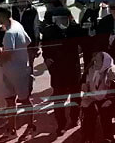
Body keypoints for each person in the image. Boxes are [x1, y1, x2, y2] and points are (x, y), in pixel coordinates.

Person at [0, 6, 33, 140]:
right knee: (10, 100)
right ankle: (11, 130)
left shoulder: (9, 33)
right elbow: (28, 41)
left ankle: (31, 127)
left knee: (24, 100)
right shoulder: (17, 25)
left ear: (2, 16)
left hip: (17, 73)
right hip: (13, 70)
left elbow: (5, 56)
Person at [41, 7, 83, 135]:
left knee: (76, 97)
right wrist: (49, 63)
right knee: (59, 99)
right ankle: (61, 124)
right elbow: (45, 50)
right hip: (58, 71)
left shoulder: (75, 30)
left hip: (73, 69)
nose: (62, 21)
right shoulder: (49, 32)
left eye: (65, 18)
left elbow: (82, 44)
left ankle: (74, 118)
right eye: (59, 19)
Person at [81, 52, 115, 143]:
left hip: (107, 98)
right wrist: (85, 92)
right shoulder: (91, 70)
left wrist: (109, 100)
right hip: (92, 97)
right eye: (95, 60)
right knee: (89, 113)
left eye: (98, 60)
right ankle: (89, 137)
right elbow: (85, 84)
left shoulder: (111, 71)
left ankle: (108, 137)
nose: (95, 61)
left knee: (105, 112)